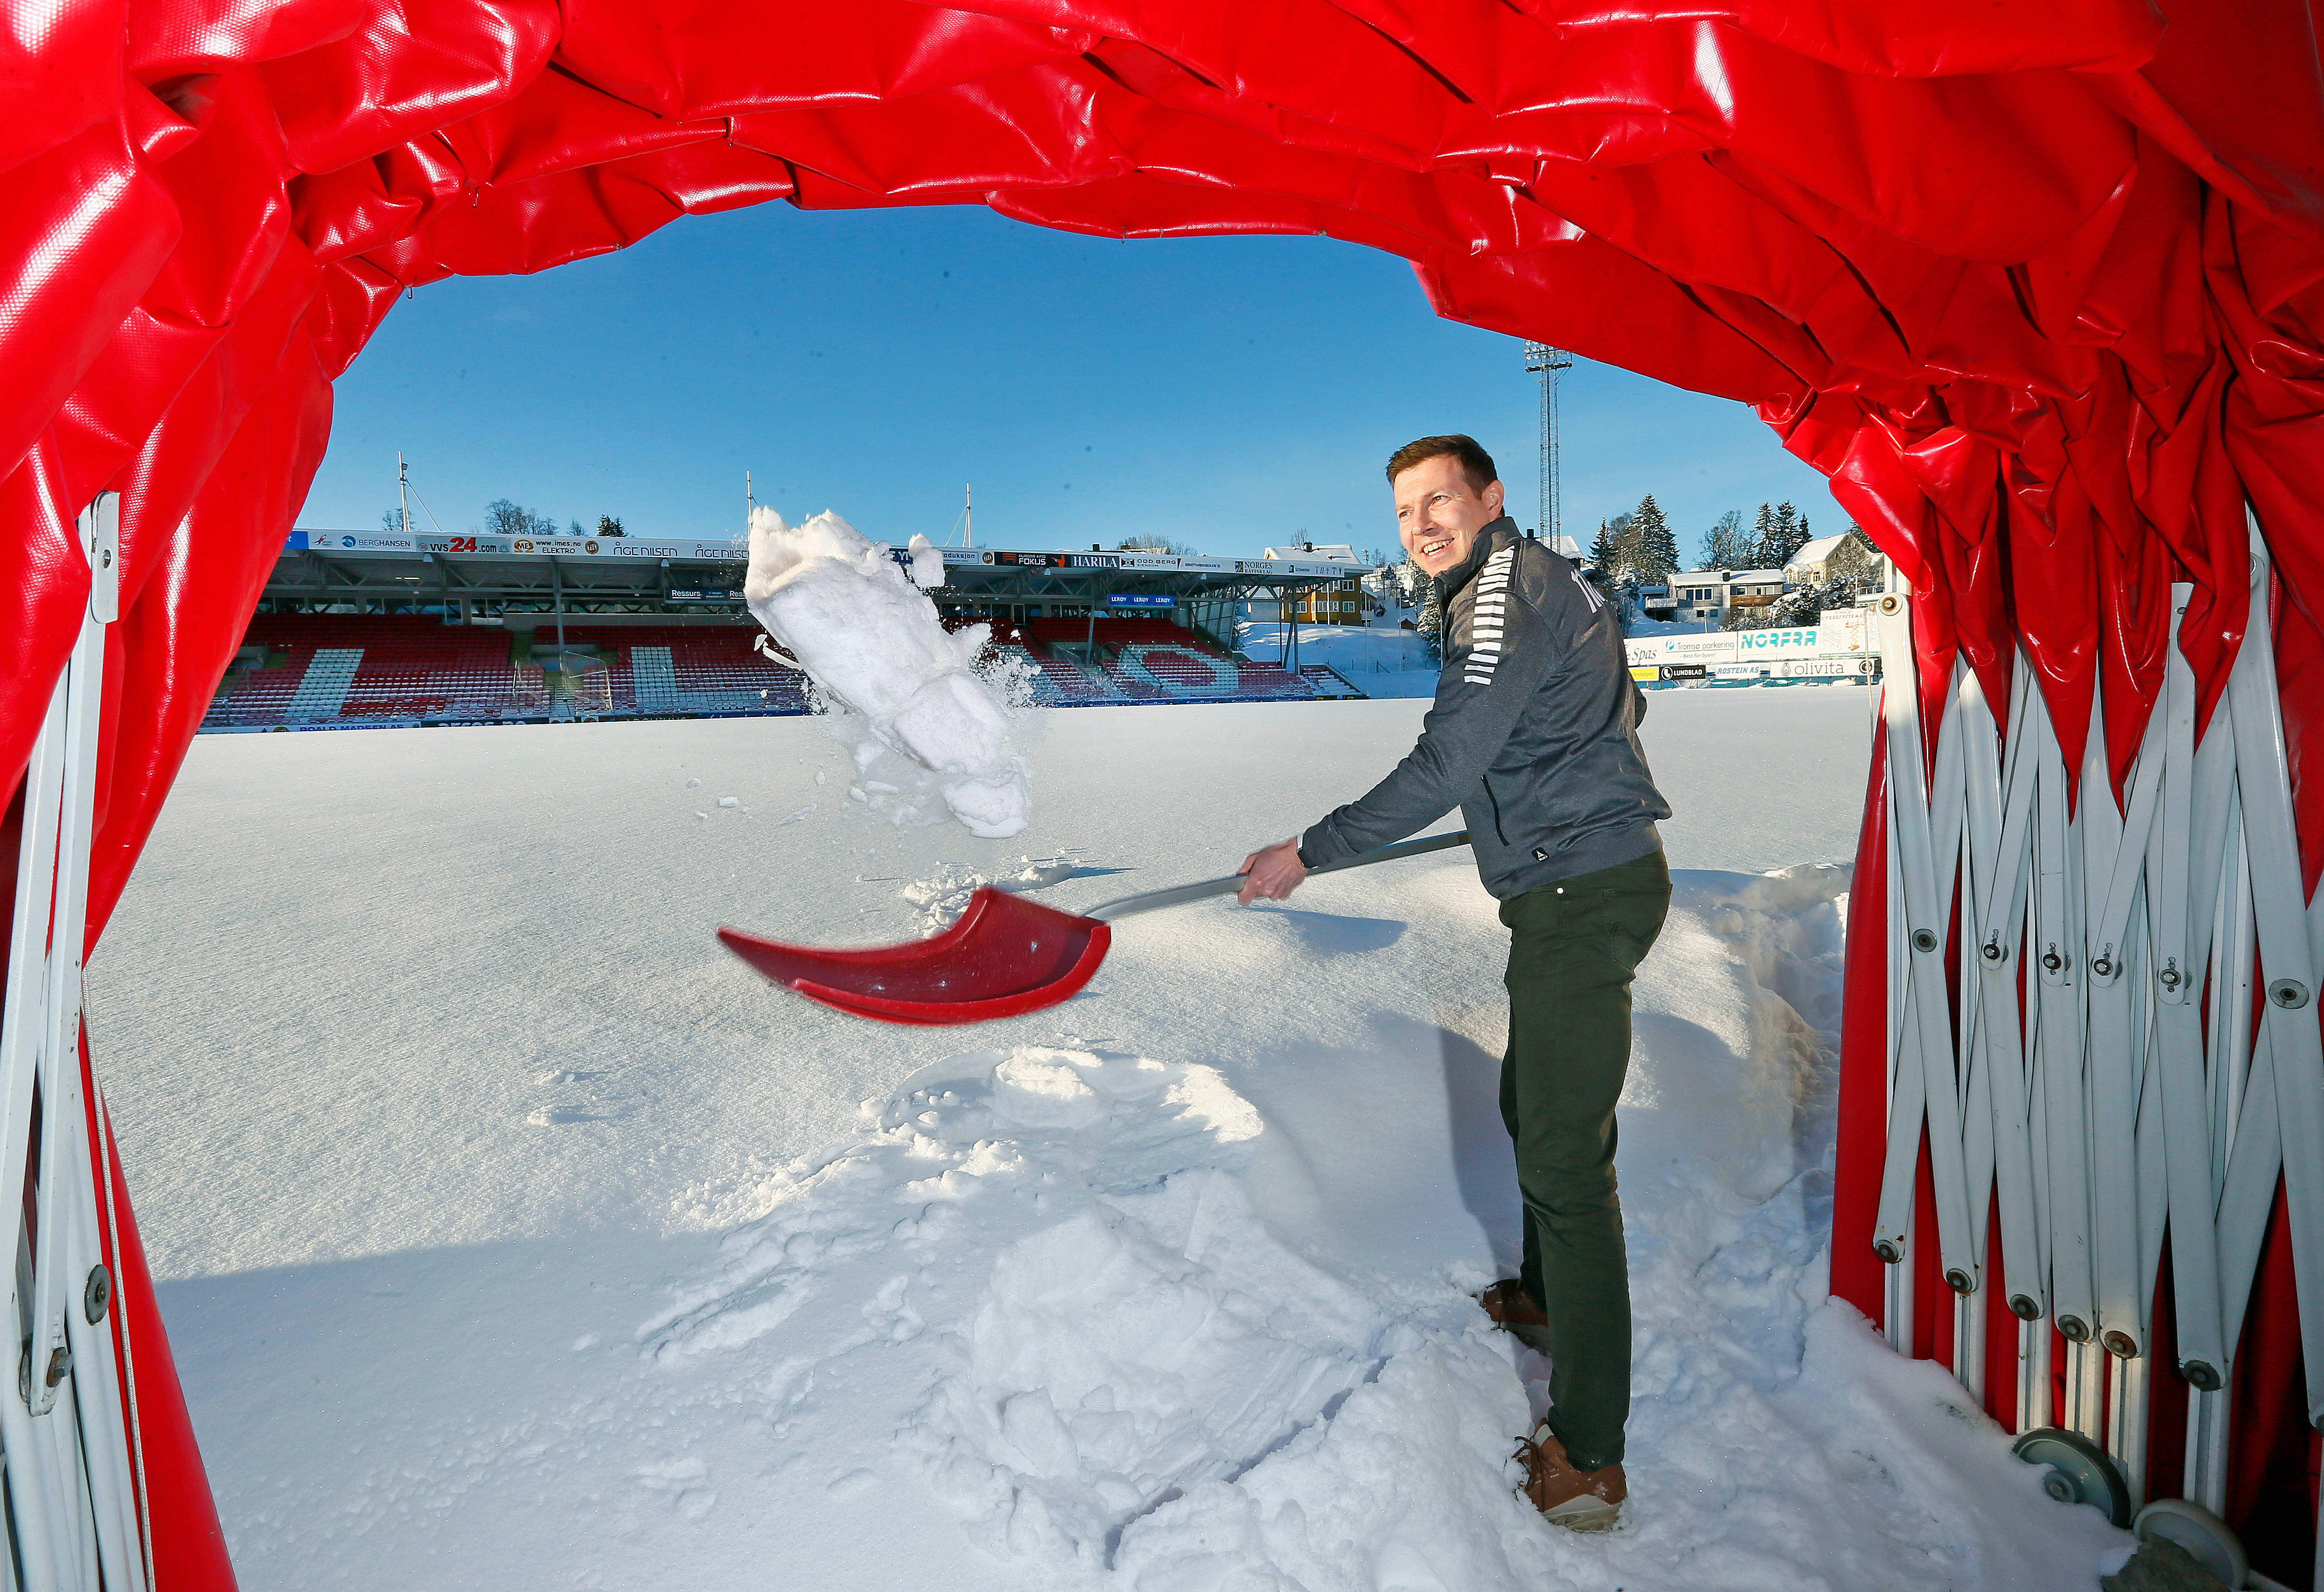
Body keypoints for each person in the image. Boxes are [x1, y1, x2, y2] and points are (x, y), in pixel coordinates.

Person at [1236, 434, 1672, 1531]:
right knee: (1532, 1106)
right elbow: (1617, 706)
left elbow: (1445, 763)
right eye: (1403, 511)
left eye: (1438, 500)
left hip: (1578, 892)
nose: (1421, 524)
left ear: (1489, 498)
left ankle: (1590, 1453)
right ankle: (1545, 1297)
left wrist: (1307, 852)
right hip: (1579, 880)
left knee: (1566, 1162)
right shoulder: (1551, 574)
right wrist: (1551, 769)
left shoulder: (1495, 601)